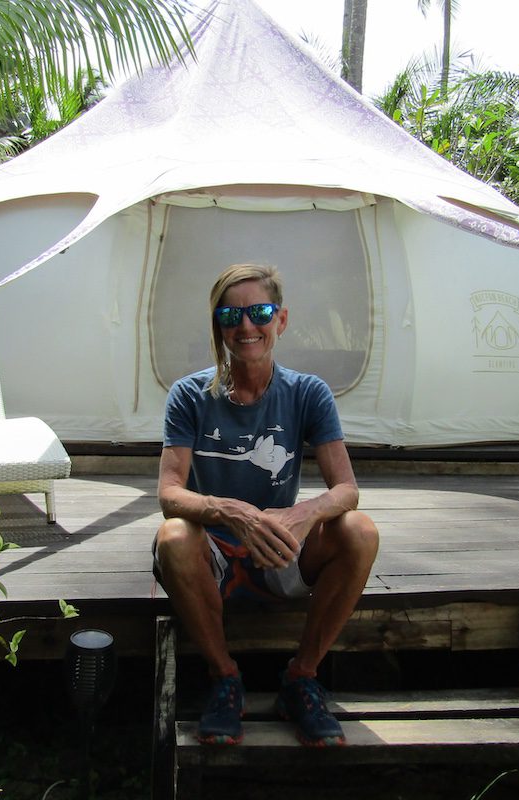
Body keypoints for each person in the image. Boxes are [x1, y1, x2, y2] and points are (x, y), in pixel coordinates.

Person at [153, 263, 380, 748]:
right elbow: (170, 493)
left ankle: (301, 678)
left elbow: (347, 490)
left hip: (280, 550)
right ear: (218, 324)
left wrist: (302, 513)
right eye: (231, 314)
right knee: (172, 536)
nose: (245, 326)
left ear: (281, 320)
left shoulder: (306, 392)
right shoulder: (190, 395)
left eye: (259, 311)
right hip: (212, 552)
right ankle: (225, 678)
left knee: (359, 530)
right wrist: (230, 511)